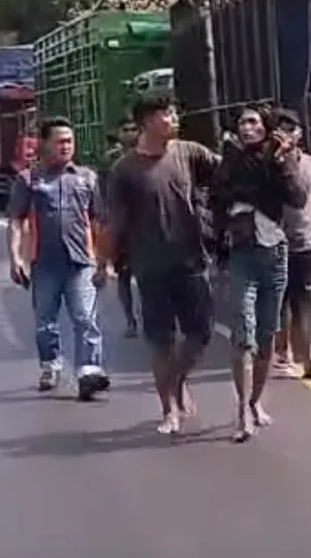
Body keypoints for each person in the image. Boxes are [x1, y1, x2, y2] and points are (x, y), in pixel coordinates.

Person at [106, 93, 220, 434]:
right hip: (150, 265)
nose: (173, 118)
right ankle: (168, 409)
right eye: (166, 114)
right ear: (147, 122)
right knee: (161, 340)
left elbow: (226, 175)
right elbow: (116, 220)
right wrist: (105, 262)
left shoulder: (189, 152)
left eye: (172, 111)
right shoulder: (123, 169)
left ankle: (178, 380)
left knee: (201, 333)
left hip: (191, 260)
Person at [211, 103, 306, 443]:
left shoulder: (279, 159)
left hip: (275, 253)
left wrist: (282, 161)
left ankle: (255, 403)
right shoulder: (231, 159)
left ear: (265, 126)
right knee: (244, 335)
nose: (246, 128)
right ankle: (241, 410)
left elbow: (297, 198)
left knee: (267, 335)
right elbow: (220, 197)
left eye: (253, 122)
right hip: (242, 255)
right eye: (242, 123)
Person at [6, 116, 110, 401]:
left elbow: (99, 222)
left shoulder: (87, 178)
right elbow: (16, 220)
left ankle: (89, 371)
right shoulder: (28, 180)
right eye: (60, 141)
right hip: (44, 263)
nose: (66, 146)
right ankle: (50, 365)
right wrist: (15, 258)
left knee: (86, 319)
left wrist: (103, 262)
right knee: (45, 322)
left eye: (70, 141)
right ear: (44, 144)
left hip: (80, 262)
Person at [274, 111, 311, 380]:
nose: (288, 134)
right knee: (281, 303)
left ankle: (310, 357)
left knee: (308, 300)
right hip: (276, 241)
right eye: (281, 129)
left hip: (308, 242)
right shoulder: (269, 165)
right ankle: (283, 353)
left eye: (292, 128)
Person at [99, 116, 140, 337]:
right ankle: (130, 319)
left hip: (146, 226)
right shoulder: (111, 161)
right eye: (126, 129)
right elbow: (104, 194)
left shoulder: (151, 156)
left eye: (135, 129)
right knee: (124, 275)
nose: (130, 133)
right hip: (121, 226)